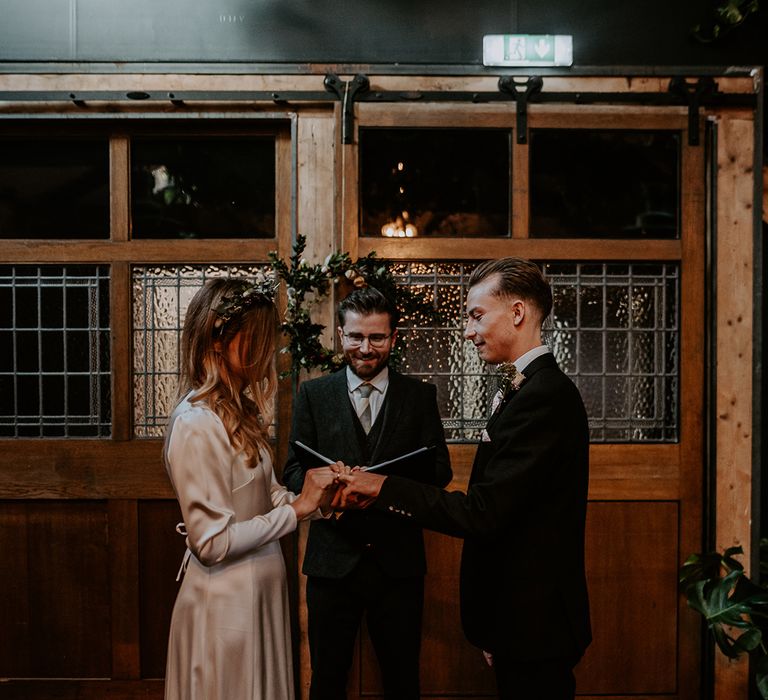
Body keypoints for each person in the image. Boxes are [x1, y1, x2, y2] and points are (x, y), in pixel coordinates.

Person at [336, 258, 592, 700]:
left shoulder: (545, 395)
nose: (468, 331)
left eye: (476, 316)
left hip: (535, 621)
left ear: (517, 313)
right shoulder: (523, 387)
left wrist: (383, 487)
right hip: (515, 618)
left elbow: (483, 512)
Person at [163, 277, 338, 700]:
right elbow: (211, 541)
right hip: (225, 608)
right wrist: (295, 513)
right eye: (255, 341)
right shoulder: (196, 424)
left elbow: (267, 492)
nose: (267, 353)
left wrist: (319, 498)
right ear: (218, 340)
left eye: (268, 340)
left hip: (259, 597)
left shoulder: (237, 409)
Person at [283, 285, 452, 700]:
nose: (365, 347)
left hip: (398, 564)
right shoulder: (313, 395)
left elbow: (439, 471)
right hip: (331, 565)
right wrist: (327, 493)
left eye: (377, 337)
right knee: (327, 679)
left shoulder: (419, 396)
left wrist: (385, 490)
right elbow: (291, 471)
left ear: (393, 338)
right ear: (341, 336)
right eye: (356, 336)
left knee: (401, 679)